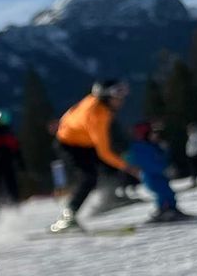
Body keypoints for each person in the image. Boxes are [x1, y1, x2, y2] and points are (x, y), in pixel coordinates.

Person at [49, 79, 138, 233]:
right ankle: (67, 217)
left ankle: (110, 197)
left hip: (82, 141)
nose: (121, 99)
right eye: (117, 95)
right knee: (88, 177)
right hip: (69, 144)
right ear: (105, 97)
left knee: (109, 167)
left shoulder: (98, 105)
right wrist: (128, 167)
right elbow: (103, 152)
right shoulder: (97, 115)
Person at [126, 121, 187, 222]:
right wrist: (164, 170)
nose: (156, 136)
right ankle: (164, 210)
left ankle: (172, 209)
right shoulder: (140, 148)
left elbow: (163, 159)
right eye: (153, 133)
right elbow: (148, 164)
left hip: (160, 176)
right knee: (163, 193)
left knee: (169, 193)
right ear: (145, 135)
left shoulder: (153, 146)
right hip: (151, 176)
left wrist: (165, 150)